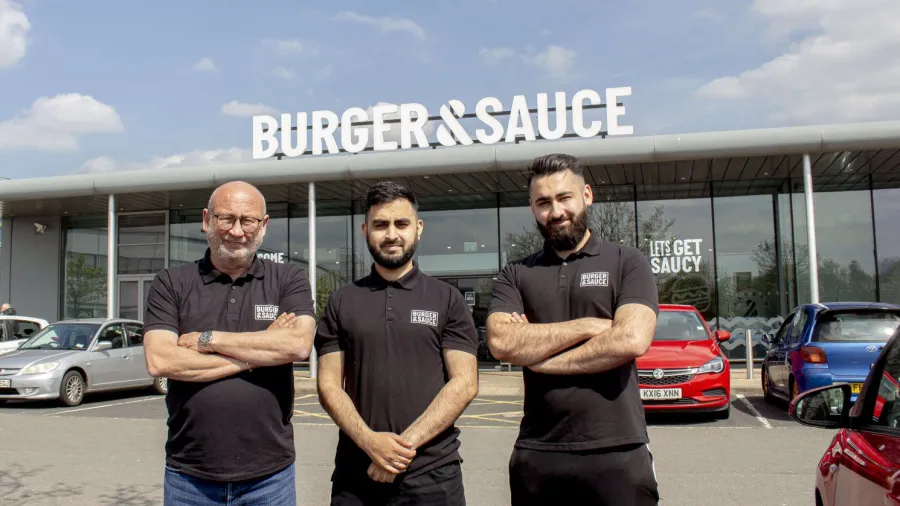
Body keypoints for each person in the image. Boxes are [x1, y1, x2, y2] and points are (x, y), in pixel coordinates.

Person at [486, 153, 661, 505]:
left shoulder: (627, 262)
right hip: (538, 452)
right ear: (533, 209)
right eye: (543, 203)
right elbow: (502, 341)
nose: (556, 212)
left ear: (586, 195)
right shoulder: (517, 273)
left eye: (564, 198)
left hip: (618, 450)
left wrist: (540, 358)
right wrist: (588, 326)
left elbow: (630, 339)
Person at [143, 180, 317, 505]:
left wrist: (210, 340)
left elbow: (297, 346)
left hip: (269, 479)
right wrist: (262, 348)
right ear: (207, 220)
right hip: (189, 478)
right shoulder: (171, 283)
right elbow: (161, 360)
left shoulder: (288, 280)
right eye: (226, 218)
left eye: (247, 220)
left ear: (263, 225)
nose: (237, 231)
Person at [315, 180, 479, 505]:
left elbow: (465, 382)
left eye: (401, 223)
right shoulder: (342, 301)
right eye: (380, 224)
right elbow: (329, 385)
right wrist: (370, 444)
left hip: (433, 476)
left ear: (418, 228)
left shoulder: (447, 299)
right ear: (365, 230)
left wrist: (400, 449)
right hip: (356, 475)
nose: (391, 234)